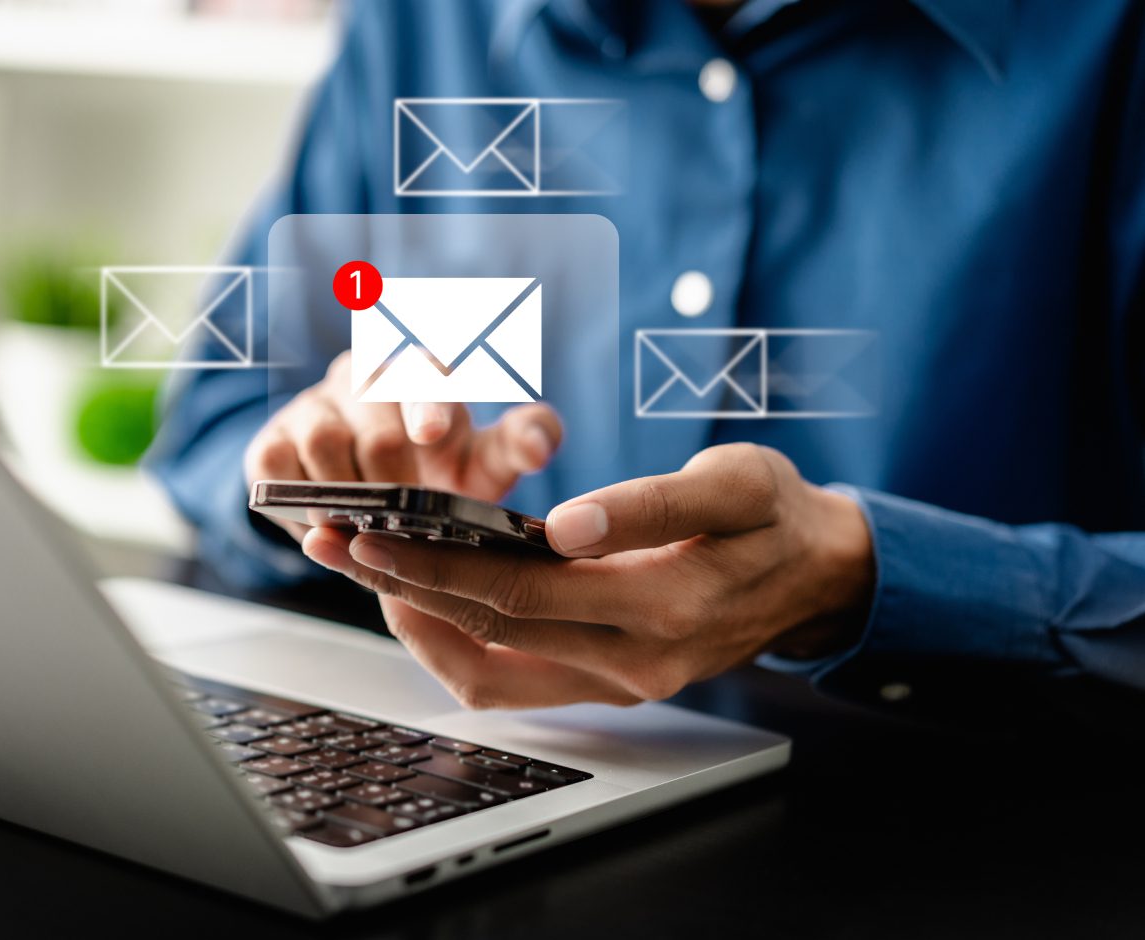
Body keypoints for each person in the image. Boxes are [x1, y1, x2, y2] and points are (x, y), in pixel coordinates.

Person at [146, 0, 1145, 723]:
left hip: (977, 826)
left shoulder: (1107, 39)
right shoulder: (414, 22)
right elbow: (216, 422)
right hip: (488, 767)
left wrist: (865, 574)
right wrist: (327, 464)